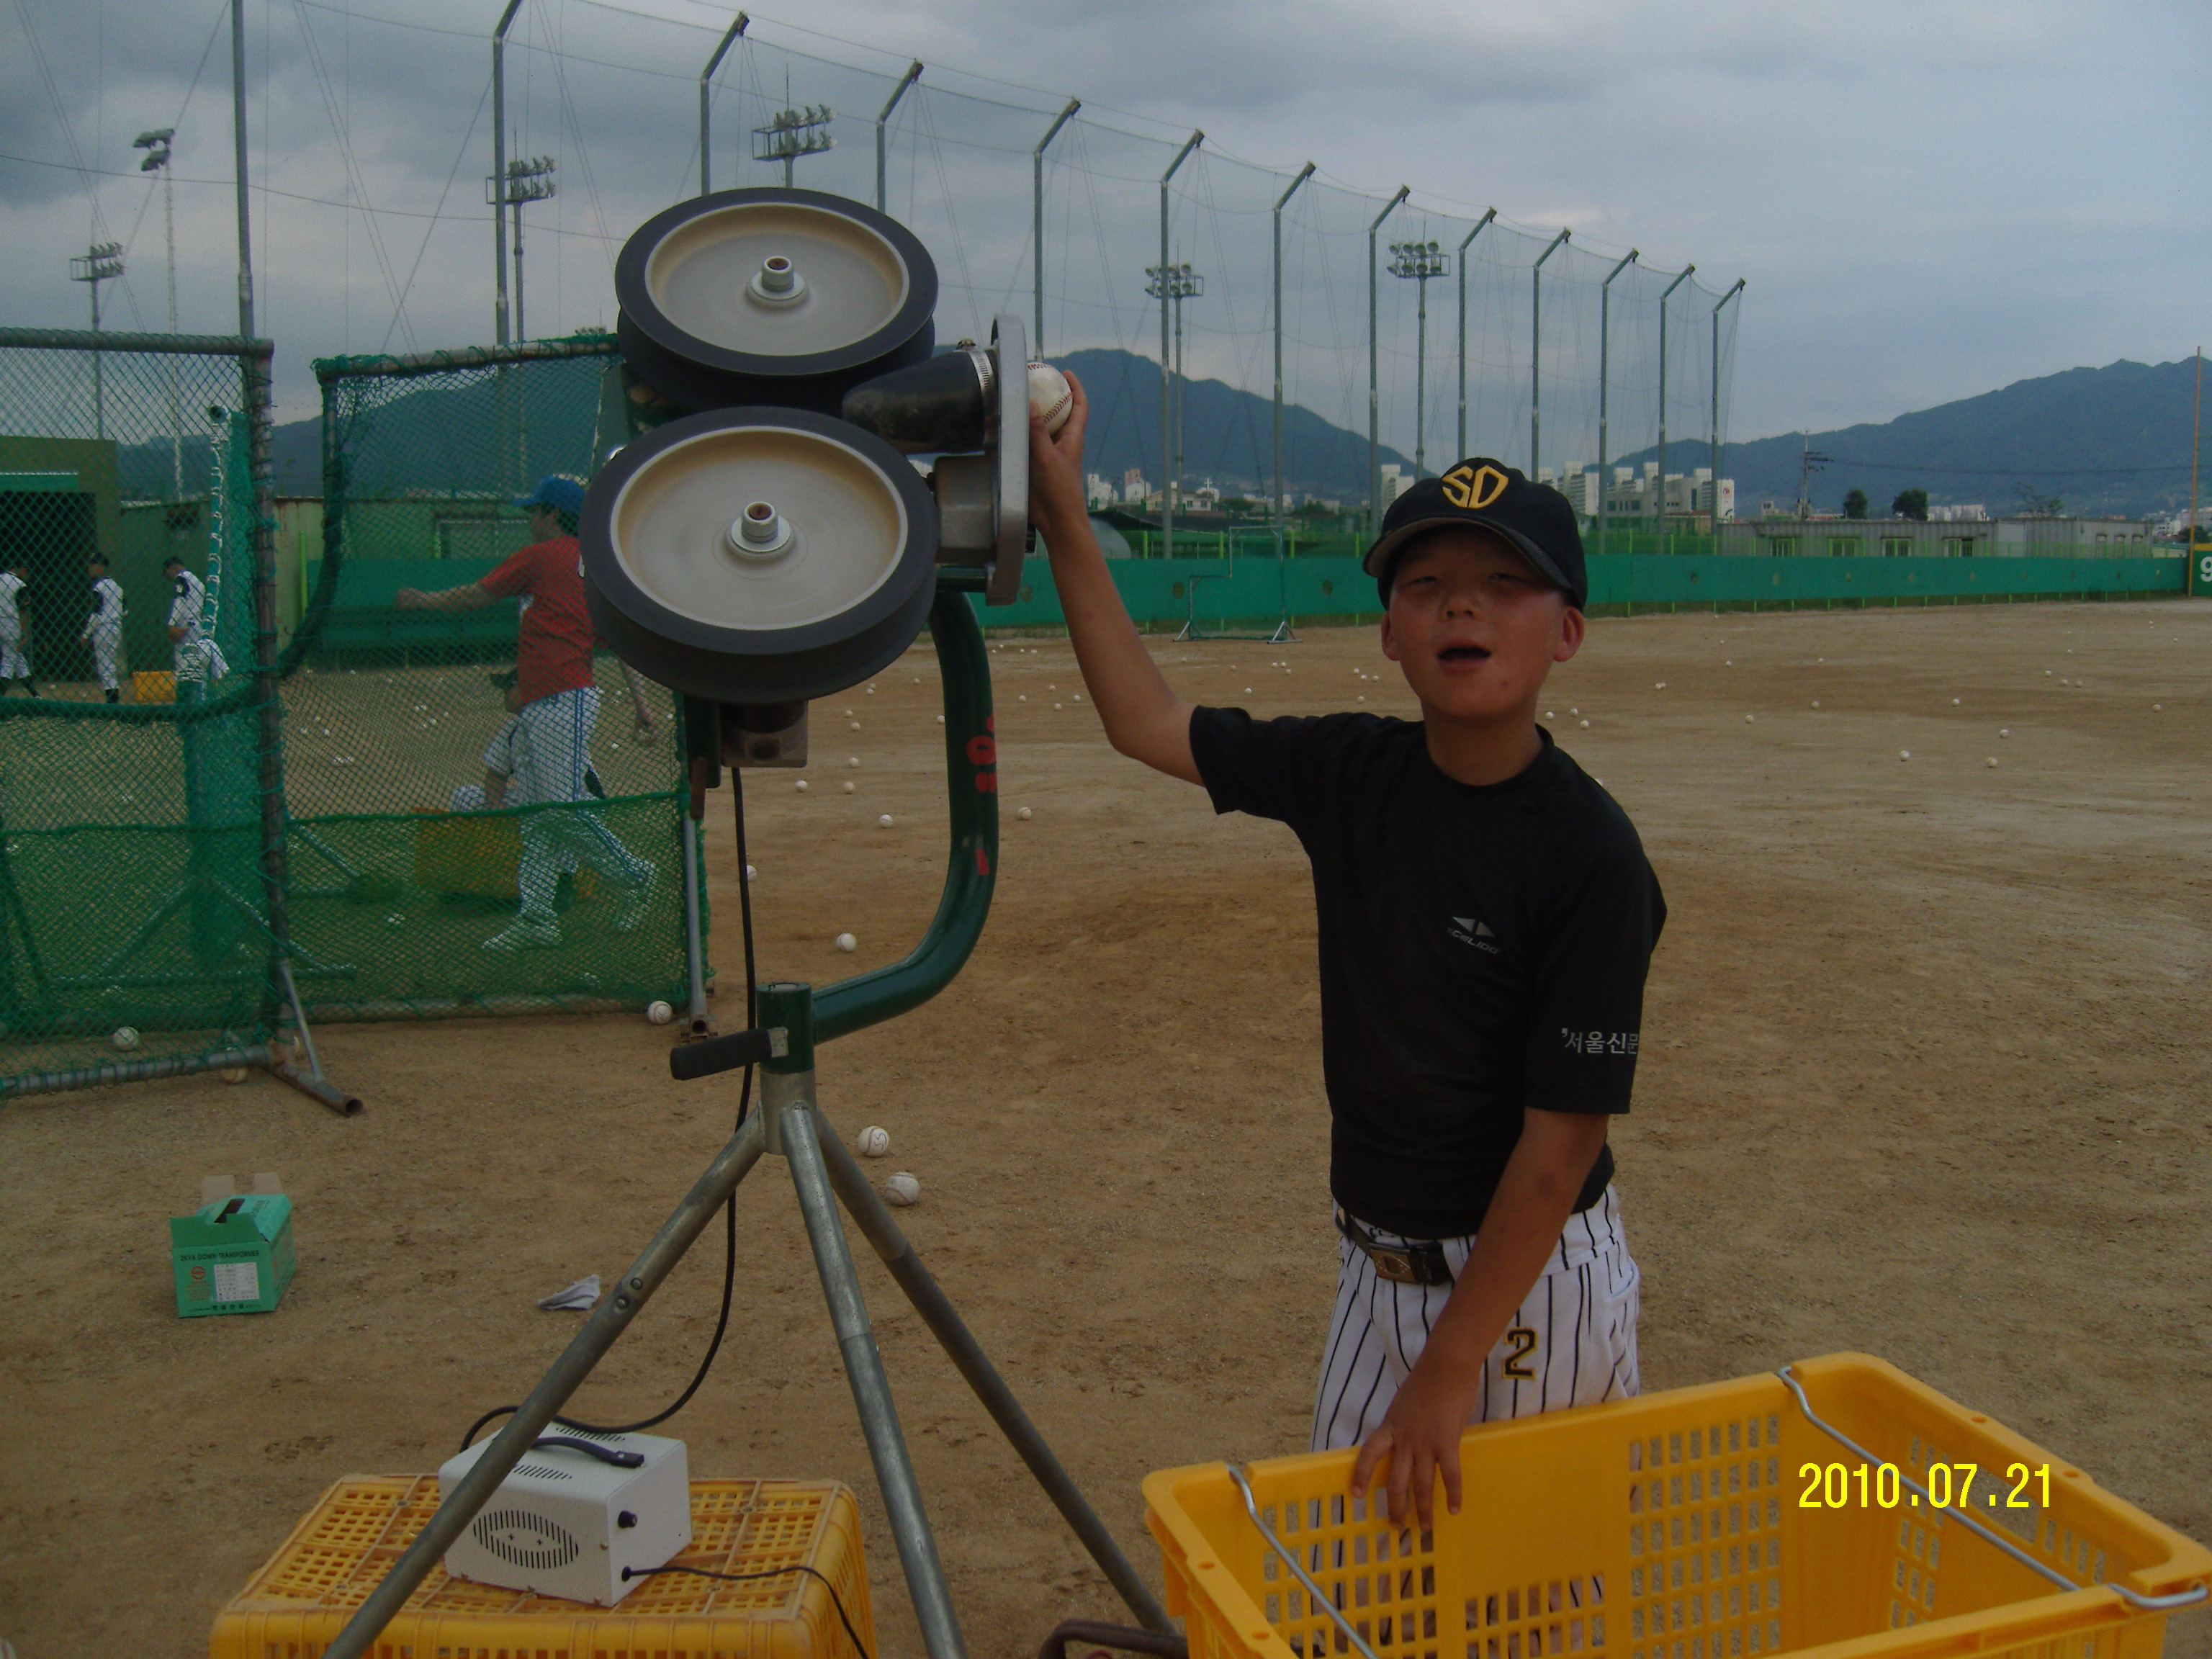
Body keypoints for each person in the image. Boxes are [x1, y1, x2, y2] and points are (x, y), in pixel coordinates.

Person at [1028, 375, 1665, 1529]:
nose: (1460, 608)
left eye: (1502, 585)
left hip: (1522, 1297)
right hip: (1376, 1268)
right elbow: (1145, 722)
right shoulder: (1352, 774)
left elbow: (1560, 1150)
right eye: (1425, 586)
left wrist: (1446, 1371)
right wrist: (1068, 516)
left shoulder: (1590, 856)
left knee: (1534, 1611)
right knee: (1347, 1591)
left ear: (1567, 629)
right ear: (1388, 631)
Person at [397, 474, 661, 951]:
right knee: (540, 816)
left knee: (558, 809)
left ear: (553, 516)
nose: (530, 520)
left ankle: (633, 875)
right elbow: (618, 642)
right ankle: (538, 917)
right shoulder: (593, 566)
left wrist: (422, 601)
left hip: (562, 701)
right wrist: (641, 704)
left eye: (534, 512)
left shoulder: (544, 557)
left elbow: (477, 595)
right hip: (555, 702)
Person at [81, 553, 125, 702]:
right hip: (116, 627)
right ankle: (114, 700)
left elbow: (96, 614)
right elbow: (125, 610)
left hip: (103, 628)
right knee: (110, 665)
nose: (90, 569)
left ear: (100, 567)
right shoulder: (117, 587)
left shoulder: (99, 587)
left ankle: (112, 702)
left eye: (92, 566)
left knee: (105, 667)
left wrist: (86, 634)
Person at [0, 557, 33, 696]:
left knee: (17, 659)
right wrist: (25, 633)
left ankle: (35, 694)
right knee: (9, 660)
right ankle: (1, 695)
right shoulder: (19, 584)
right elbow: (23, 610)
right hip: (10, 623)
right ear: (23, 570)